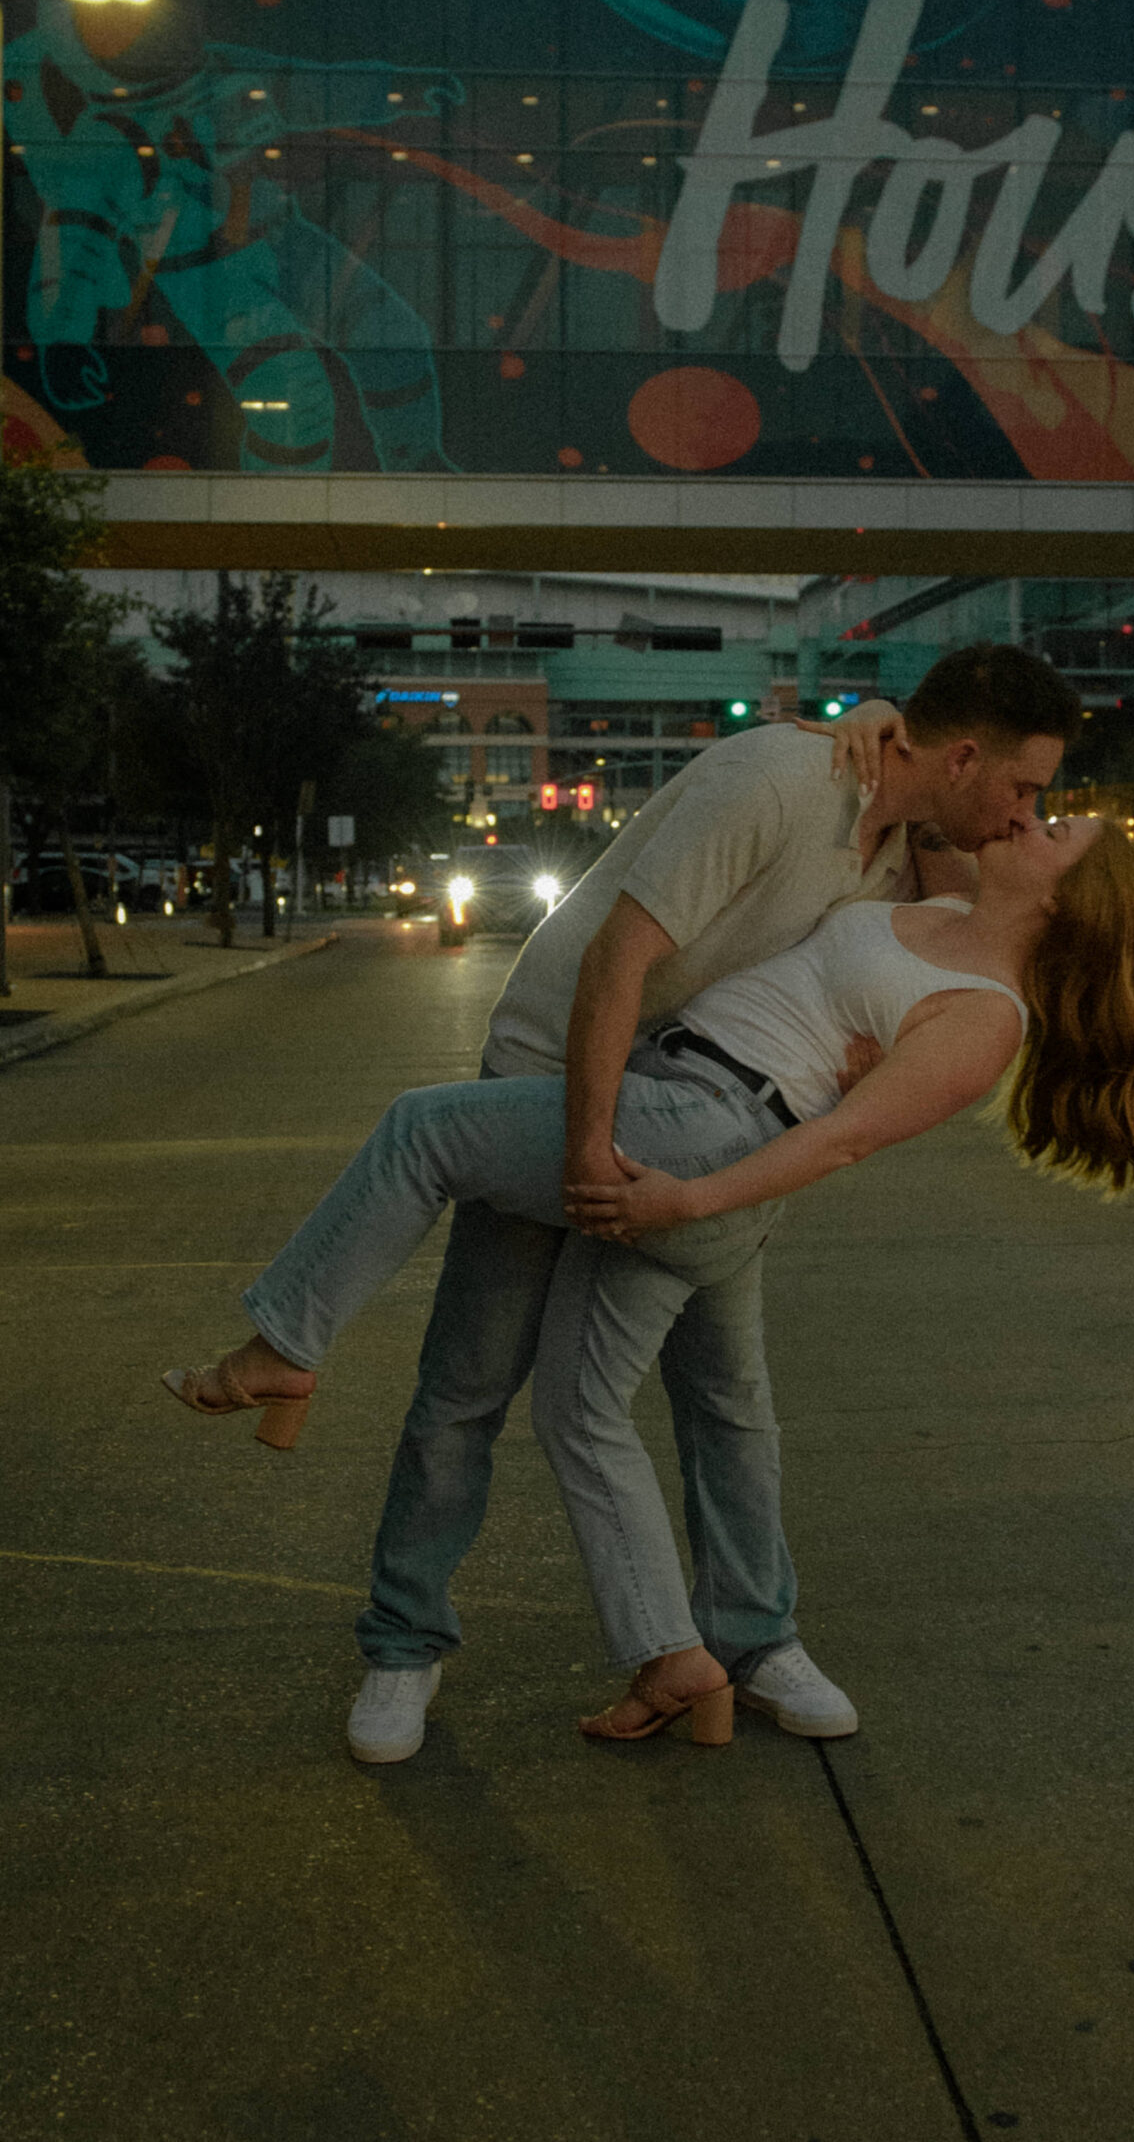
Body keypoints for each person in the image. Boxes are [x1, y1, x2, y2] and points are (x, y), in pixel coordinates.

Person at [165, 644, 1081, 1760]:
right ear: (967, 755)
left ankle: (752, 1638)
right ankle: (403, 1648)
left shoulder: (902, 847)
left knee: (728, 1396)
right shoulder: (778, 783)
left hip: (702, 1121)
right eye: (1025, 789)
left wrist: (880, 714)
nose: (1028, 811)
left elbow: (988, 941)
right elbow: (619, 958)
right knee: (466, 1387)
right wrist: (588, 1146)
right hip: (566, 1078)